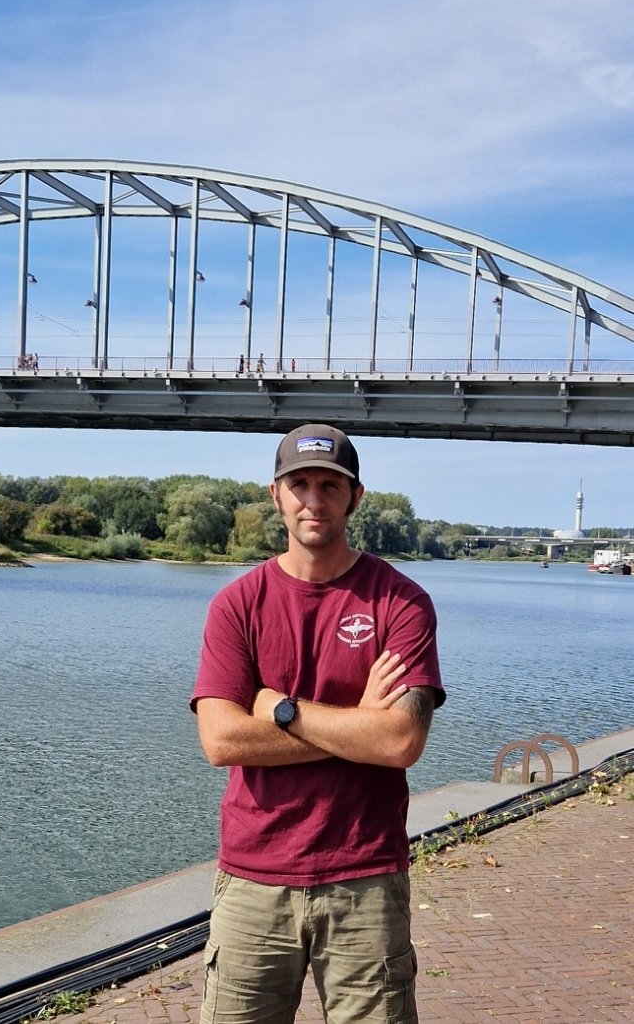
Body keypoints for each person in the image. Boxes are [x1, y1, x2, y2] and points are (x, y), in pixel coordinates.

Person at [191, 423, 444, 1024]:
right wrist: (360, 726)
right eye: (298, 484)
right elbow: (222, 740)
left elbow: (402, 739)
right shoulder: (236, 605)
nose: (314, 500)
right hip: (254, 880)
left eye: (330, 485)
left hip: (366, 877)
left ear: (355, 497)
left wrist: (281, 708)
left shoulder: (400, 602)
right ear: (275, 495)